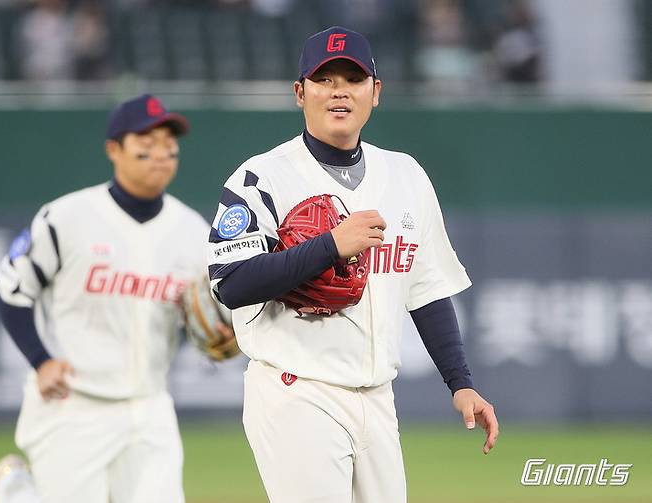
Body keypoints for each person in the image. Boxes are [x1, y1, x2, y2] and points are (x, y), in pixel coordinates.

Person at [207, 26, 499, 503]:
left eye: (353, 79)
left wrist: (461, 383)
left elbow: (426, 290)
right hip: (297, 390)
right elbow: (232, 284)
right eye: (324, 79)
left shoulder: (406, 175)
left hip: (378, 397)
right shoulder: (262, 177)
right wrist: (328, 247)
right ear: (300, 93)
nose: (339, 90)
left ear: (375, 92)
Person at [0, 94, 226, 503]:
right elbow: (11, 286)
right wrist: (40, 360)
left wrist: (216, 338)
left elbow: (193, 319)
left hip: (149, 405)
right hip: (72, 405)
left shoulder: (193, 232)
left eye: (169, 142)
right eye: (147, 141)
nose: (161, 152)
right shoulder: (67, 217)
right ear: (114, 149)